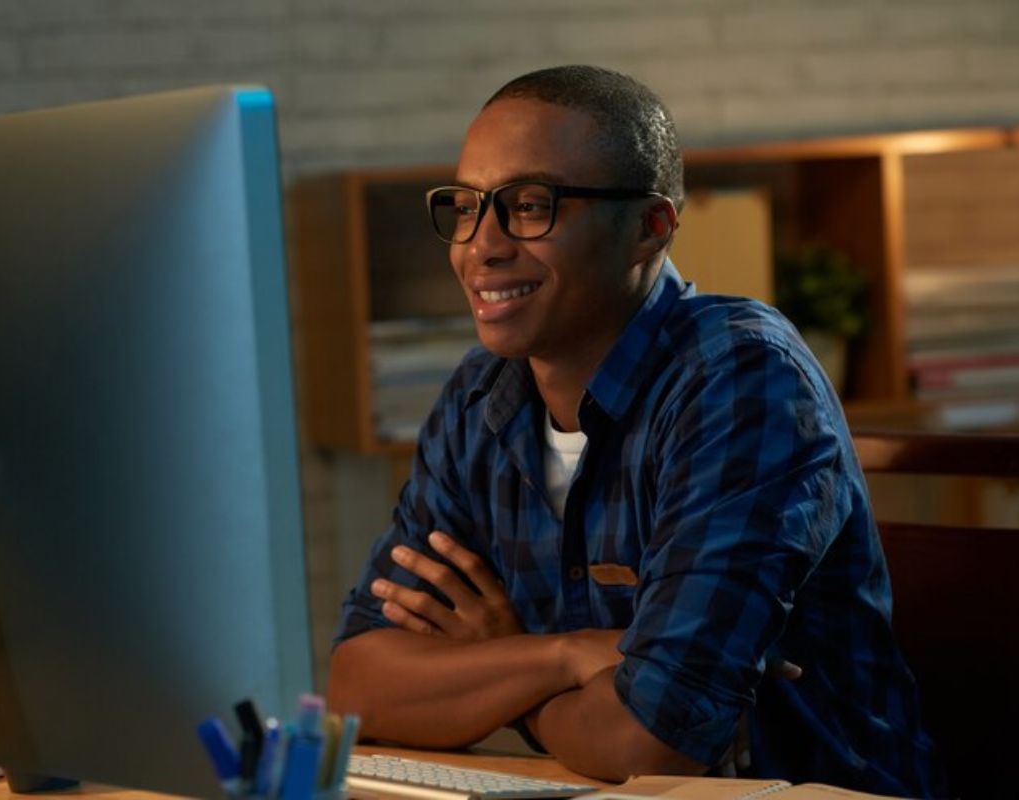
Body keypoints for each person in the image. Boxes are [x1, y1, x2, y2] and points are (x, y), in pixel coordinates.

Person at [325, 65, 945, 797]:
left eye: (530, 205)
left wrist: (500, 658)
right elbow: (358, 682)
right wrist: (561, 659)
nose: (480, 244)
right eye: (466, 207)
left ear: (650, 228)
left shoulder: (742, 379)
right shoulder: (478, 398)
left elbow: (654, 741)